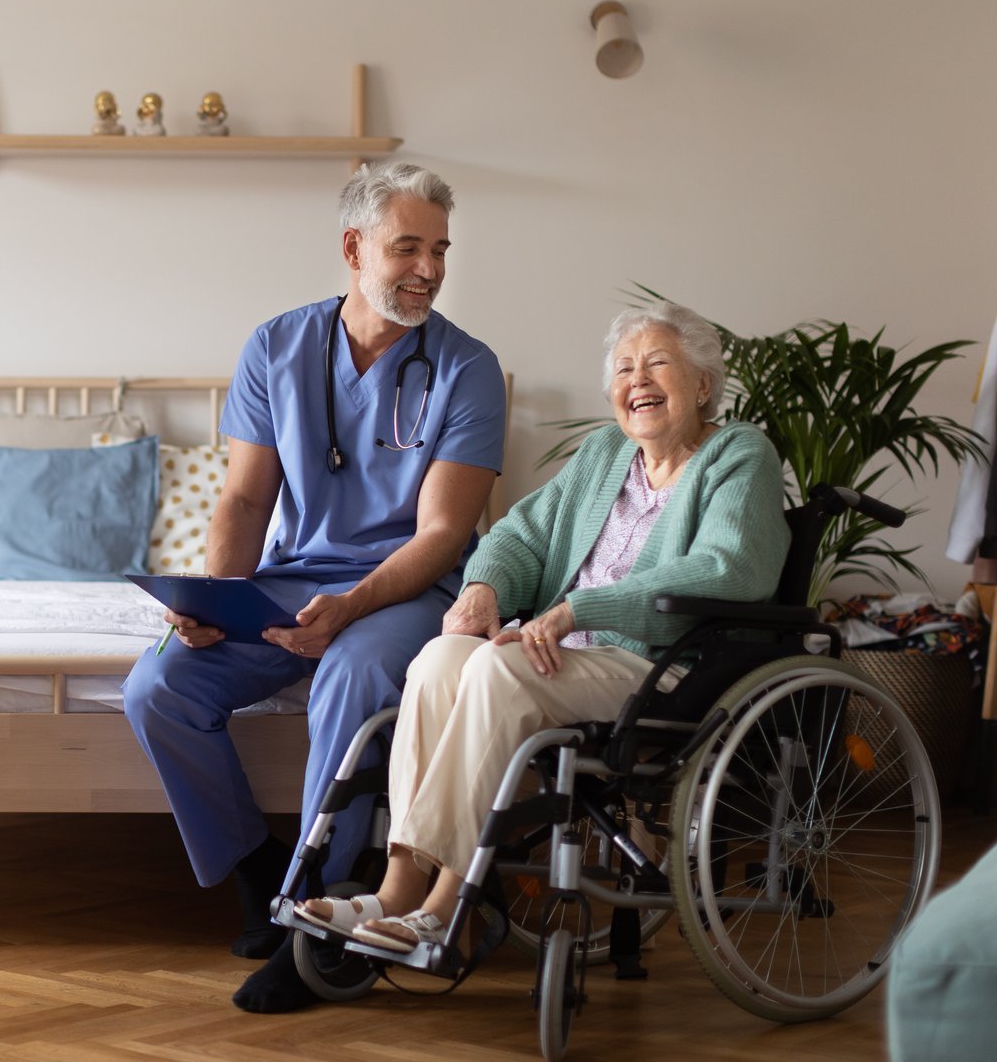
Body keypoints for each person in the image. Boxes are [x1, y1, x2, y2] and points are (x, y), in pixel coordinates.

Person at [291, 300, 788, 984]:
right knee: (439, 659)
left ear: (702, 384)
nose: (636, 379)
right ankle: (400, 885)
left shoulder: (740, 455)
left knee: (500, 671)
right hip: (560, 655)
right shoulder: (605, 454)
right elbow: (517, 534)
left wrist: (580, 606)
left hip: (661, 665)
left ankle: (447, 908)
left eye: (657, 363)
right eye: (623, 367)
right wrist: (485, 590)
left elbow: (725, 567)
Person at [121, 162, 507, 1012]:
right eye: (408, 247)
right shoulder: (276, 346)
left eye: (440, 250)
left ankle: (315, 920)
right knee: (158, 685)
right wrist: (212, 601)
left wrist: (353, 609)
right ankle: (257, 866)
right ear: (353, 247)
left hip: (411, 591)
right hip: (294, 579)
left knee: (355, 675)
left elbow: (444, 533)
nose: (430, 270)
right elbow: (246, 497)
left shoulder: (467, 369)